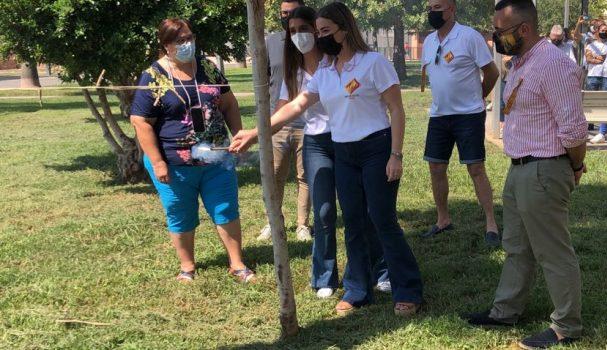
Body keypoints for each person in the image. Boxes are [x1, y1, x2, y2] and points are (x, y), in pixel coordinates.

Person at [233, 2, 423, 317]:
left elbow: (397, 110)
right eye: (317, 31)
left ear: (344, 30)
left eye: (325, 31)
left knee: (382, 219)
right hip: (344, 152)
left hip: (377, 148)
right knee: (352, 223)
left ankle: (408, 291)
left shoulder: (372, 63)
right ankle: (358, 290)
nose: (319, 38)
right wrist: (257, 132)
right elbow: (296, 106)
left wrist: (396, 155)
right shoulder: (324, 71)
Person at [463, 2, 588, 349]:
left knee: (553, 251)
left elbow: (575, 131)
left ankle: (566, 325)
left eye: (500, 32)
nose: (495, 38)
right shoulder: (521, 62)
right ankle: (506, 311)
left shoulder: (553, 65)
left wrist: (575, 167)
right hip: (520, 168)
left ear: (524, 30)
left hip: (544, 168)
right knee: (516, 247)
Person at [129, 19, 255, 283]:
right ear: (166, 45)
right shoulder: (153, 76)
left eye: (190, 38)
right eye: (180, 40)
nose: (188, 44)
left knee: (226, 208)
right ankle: (187, 267)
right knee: (181, 212)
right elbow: (140, 122)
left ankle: (237, 264)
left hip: (217, 159)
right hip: (174, 163)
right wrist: (158, 162)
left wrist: (238, 137)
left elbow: (229, 104)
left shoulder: (208, 68)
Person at [420, 0, 502, 246]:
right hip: (439, 116)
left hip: (468, 116)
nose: (432, 12)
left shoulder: (469, 36)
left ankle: (491, 224)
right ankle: (442, 219)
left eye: (438, 7)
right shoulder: (429, 41)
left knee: (476, 169)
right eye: (430, 8)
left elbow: (492, 73)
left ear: (451, 9)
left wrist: (478, 98)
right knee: (436, 168)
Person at [258, 0, 312, 242]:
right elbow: (264, 79)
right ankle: (273, 221)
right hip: (278, 119)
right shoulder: (270, 42)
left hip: (309, 123)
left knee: (305, 176)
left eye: (291, 13)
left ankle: (303, 224)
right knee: (274, 173)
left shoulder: (314, 42)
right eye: (283, 14)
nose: (287, 17)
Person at [584, 23, 607, 92]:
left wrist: (594, 56)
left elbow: (605, 58)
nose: (605, 32)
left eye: (606, 31)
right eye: (602, 30)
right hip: (593, 75)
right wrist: (601, 59)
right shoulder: (591, 45)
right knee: (591, 99)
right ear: (598, 31)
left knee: (605, 99)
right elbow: (589, 59)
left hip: (606, 76)